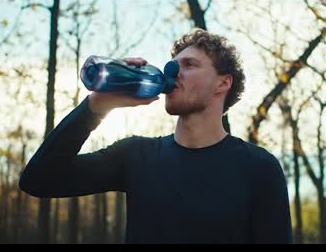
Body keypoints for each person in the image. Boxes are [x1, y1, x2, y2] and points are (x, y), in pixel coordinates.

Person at [19, 29, 293, 244]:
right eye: (172, 65)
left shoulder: (259, 168)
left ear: (223, 82)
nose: (172, 72)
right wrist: (97, 105)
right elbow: (39, 180)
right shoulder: (136, 156)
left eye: (189, 64)